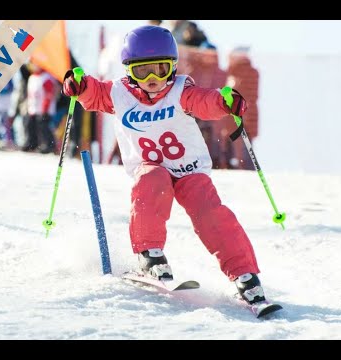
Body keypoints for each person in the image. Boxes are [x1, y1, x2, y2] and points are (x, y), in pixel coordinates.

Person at [61, 25, 268, 306]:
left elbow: (205, 102)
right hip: (150, 166)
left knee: (211, 213)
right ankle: (150, 255)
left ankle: (245, 275)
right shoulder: (120, 93)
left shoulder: (182, 90)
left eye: (161, 69)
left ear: (172, 67)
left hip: (188, 169)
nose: (153, 78)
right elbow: (94, 94)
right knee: (151, 182)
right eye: (142, 71)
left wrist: (224, 101)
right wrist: (80, 85)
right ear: (128, 71)